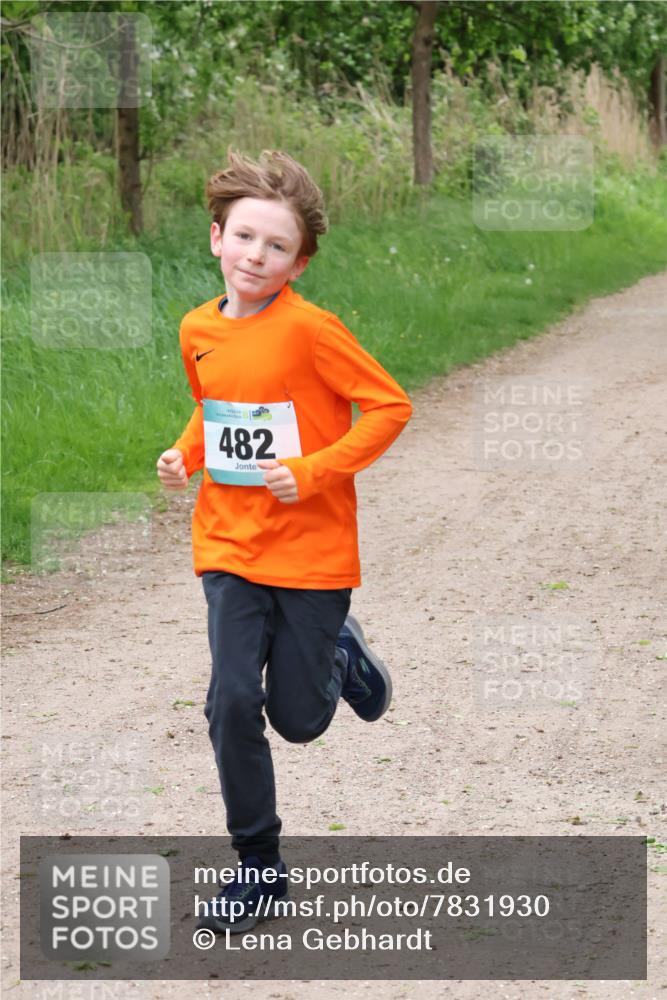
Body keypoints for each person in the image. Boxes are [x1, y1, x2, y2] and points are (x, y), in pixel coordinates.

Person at [156, 149, 411, 934]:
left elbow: (388, 407)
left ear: (298, 262)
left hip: (311, 553)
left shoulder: (312, 331)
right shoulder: (197, 328)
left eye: (276, 246)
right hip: (228, 545)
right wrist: (185, 455)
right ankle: (258, 869)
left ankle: (339, 656)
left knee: (298, 720)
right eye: (243, 237)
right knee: (231, 700)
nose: (255, 256)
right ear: (216, 238)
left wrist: (313, 471)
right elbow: (215, 407)